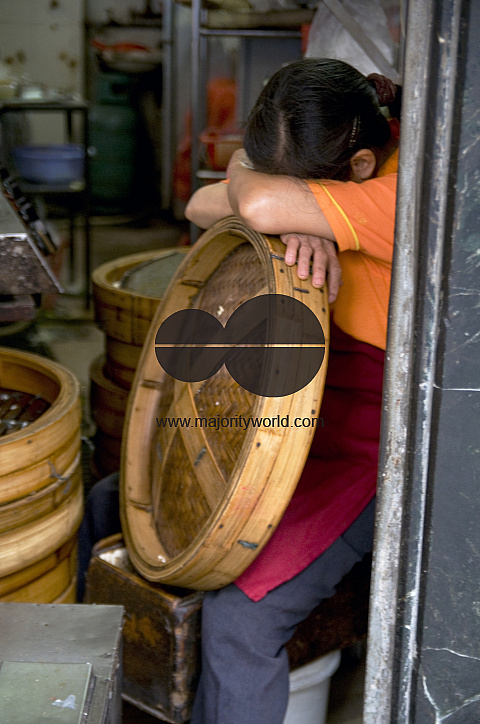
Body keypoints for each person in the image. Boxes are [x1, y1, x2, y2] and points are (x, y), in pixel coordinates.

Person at [183, 57, 400, 724]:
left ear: (359, 166)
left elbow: (253, 200)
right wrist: (310, 213)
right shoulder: (341, 169)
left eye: (308, 190)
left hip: (371, 448)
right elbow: (201, 203)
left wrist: (296, 207)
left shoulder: (401, 194)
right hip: (294, 415)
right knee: (113, 505)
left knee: (240, 619)